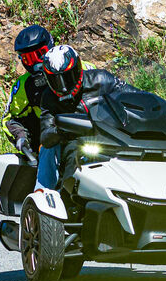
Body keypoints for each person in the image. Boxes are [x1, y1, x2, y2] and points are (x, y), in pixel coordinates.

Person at [34, 43, 125, 192]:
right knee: (47, 148)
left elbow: (134, 96)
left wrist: (155, 109)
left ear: (77, 68)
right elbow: (45, 135)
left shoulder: (101, 79)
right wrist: (63, 129)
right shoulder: (49, 97)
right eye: (56, 80)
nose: (63, 86)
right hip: (75, 144)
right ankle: (44, 192)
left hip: (111, 137)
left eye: (67, 77)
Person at [3, 24, 55, 162]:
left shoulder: (79, 66)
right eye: (28, 59)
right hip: (51, 142)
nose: (35, 64)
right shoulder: (24, 85)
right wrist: (21, 137)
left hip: (88, 133)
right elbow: (10, 119)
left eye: (39, 55)